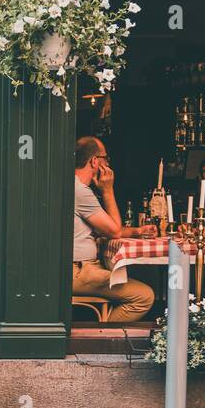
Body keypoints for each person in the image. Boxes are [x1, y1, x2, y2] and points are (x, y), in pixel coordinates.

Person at [71, 136, 155, 323]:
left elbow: (105, 227)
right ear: (95, 161)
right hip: (79, 272)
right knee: (144, 296)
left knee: (127, 277)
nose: (108, 163)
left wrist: (137, 231)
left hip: (77, 268)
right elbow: (114, 232)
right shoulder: (80, 191)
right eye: (106, 158)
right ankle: (100, 338)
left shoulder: (74, 186)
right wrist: (108, 190)